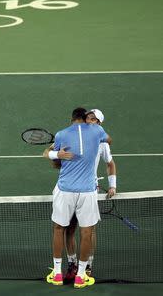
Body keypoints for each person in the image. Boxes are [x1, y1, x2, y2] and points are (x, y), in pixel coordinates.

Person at [44, 107, 109, 289]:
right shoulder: (97, 131)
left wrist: (55, 153)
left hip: (65, 190)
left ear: (72, 118)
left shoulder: (61, 134)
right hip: (87, 191)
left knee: (59, 229)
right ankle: (81, 275)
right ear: (85, 118)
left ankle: (57, 274)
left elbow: (54, 161)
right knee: (87, 232)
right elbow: (109, 140)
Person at [62, 109, 117, 282]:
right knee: (69, 228)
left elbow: (110, 164)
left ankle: (87, 265)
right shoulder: (74, 135)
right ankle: (72, 263)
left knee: (89, 231)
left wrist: (112, 186)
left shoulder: (102, 142)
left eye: (93, 119)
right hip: (69, 189)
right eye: (88, 118)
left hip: (89, 190)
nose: (89, 121)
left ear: (99, 124)